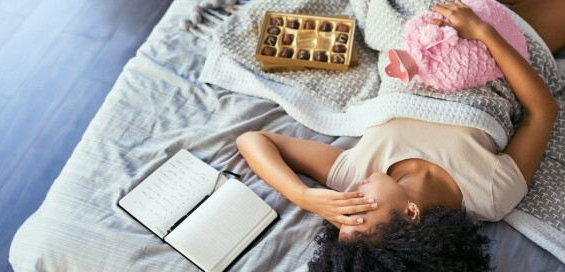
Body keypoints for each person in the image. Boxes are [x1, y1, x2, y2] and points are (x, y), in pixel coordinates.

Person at [236, 0, 561, 271]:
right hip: (494, 48)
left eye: (342, 218)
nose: (350, 206)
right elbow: (542, 110)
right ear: (410, 213)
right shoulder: (489, 193)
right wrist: (483, 32)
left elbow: (253, 141)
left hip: (412, 35)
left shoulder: (355, 174)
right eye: (360, 214)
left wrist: (304, 196)